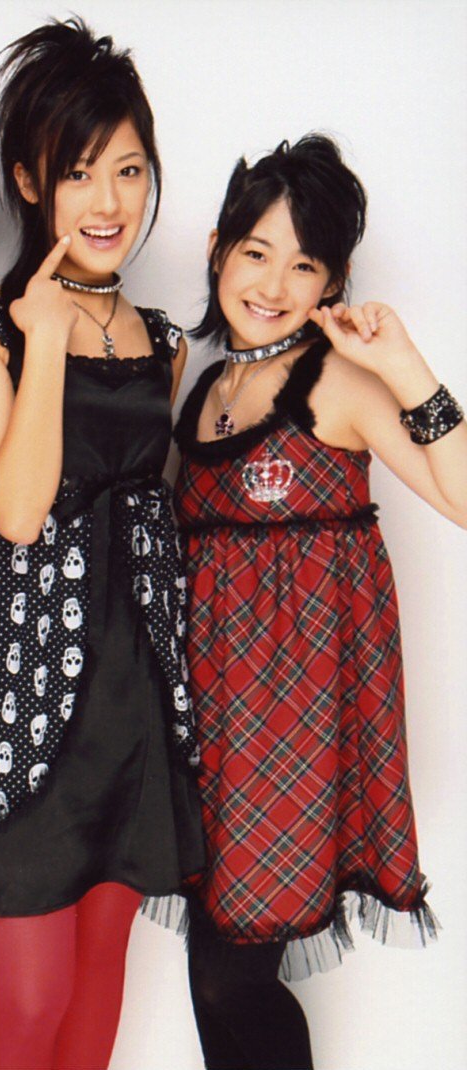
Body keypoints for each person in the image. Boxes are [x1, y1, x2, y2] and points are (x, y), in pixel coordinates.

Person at [0, 19, 204, 1070]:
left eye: (128, 170)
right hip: (18, 694)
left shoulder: (161, 340)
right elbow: (12, 508)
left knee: (96, 995)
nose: (109, 200)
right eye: (79, 171)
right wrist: (43, 338)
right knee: (31, 999)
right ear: (32, 179)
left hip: (131, 694)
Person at [173, 134, 467, 1070]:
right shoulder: (202, 386)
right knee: (208, 976)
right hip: (208, 717)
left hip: (294, 718)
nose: (272, 284)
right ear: (218, 250)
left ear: (332, 282)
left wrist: (406, 364)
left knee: (232, 977)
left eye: (303, 265)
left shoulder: (336, 384)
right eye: (256, 252)